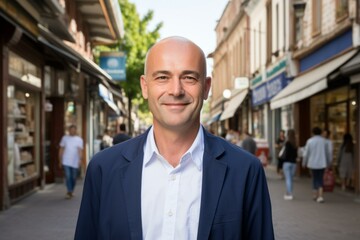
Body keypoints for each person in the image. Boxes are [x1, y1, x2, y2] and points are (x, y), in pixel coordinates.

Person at [75, 36, 274, 239]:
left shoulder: (245, 170)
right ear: (145, 86)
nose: (176, 90)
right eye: (162, 77)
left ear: (206, 87)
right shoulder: (103, 169)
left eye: (189, 78)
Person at [302, 127, 331, 203]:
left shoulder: (310, 141)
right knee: (320, 178)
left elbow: (306, 153)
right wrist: (329, 163)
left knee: (314, 178)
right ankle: (320, 196)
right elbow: (328, 153)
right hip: (322, 163)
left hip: (312, 163)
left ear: (313, 133)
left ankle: (315, 195)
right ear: (321, 133)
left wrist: (304, 162)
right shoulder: (324, 141)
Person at [58, 125, 83, 199]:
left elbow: (80, 150)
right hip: (66, 160)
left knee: (74, 177)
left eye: (73, 130)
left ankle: (71, 190)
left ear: (75, 130)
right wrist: (60, 159)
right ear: (69, 130)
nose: (72, 131)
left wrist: (80, 160)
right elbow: (61, 149)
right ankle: (69, 191)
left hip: (75, 161)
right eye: (71, 130)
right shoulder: (64, 138)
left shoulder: (79, 139)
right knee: (68, 176)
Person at [281, 129, 298, 200]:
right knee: (290, 178)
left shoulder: (287, 143)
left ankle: (289, 193)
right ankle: (289, 192)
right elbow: (296, 155)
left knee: (288, 179)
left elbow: (285, 154)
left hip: (287, 163)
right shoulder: (295, 143)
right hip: (294, 163)